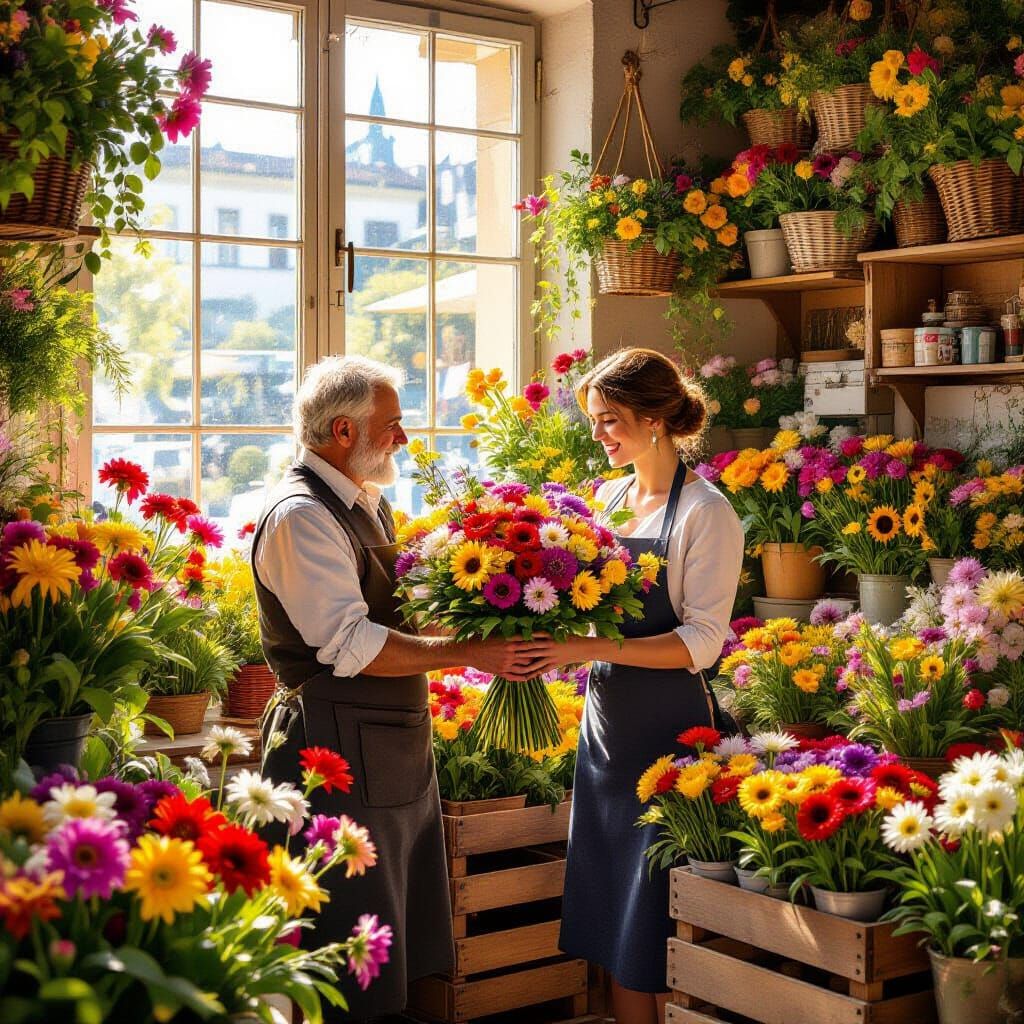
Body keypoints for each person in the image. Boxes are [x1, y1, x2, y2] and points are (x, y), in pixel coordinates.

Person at [252, 355, 550, 1023]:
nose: (406, 439)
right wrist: (475, 651)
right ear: (341, 431)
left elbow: (389, 615)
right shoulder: (302, 516)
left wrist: (485, 610)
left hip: (385, 751)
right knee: (344, 946)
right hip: (332, 748)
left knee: (385, 942)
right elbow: (350, 646)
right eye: (392, 425)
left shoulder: (363, 503)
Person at [528, 347, 745, 1024]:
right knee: (614, 925)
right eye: (595, 420)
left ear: (656, 420)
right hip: (607, 735)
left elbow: (702, 642)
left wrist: (581, 643)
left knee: (648, 920)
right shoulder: (608, 497)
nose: (599, 435)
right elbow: (585, 602)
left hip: (668, 737)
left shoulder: (706, 513)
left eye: (610, 420)